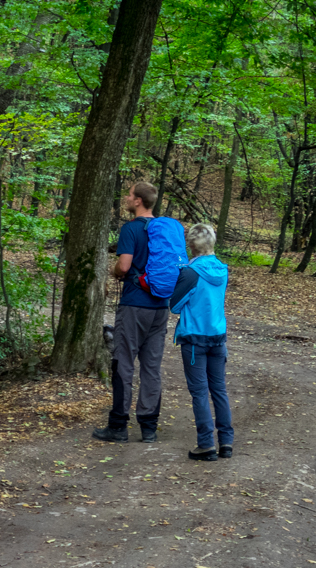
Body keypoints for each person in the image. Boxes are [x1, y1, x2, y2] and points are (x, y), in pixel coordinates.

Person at [92, 182, 171, 444]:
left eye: (129, 194)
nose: (126, 197)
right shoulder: (164, 230)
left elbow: (124, 266)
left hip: (135, 304)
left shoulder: (132, 229)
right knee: (151, 366)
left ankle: (118, 425)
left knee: (123, 362)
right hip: (160, 305)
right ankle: (149, 427)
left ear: (138, 201)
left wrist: (115, 271)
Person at [170, 223, 233, 461]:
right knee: (219, 390)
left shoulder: (190, 272)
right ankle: (226, 442)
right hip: (218, 337)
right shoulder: (223, 270)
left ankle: (206, 444)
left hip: (195, 338)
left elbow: (174, 306)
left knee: (199, 393)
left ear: (191, 245)